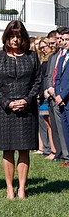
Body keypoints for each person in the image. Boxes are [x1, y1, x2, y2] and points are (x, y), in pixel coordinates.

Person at [0, 20, 41, 200]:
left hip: (27, 110)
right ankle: (10, 188)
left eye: (18, 36)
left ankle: (22, 188)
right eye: (12, 36)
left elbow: (37, 81)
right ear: (6, 37)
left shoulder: (32, 57)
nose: (15, 40)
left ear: (23, 38)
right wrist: (7, 103)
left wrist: (26, 100)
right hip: (6, 111)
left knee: (25, 149)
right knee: (8, 149)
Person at [44, 27, 69, 166]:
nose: (61, 42)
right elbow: (51, 75)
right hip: (53, 95)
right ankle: (60, 153)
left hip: (62, 96)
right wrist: (49, 88)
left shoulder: (64, 55)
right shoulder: (55, 56)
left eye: (64, 39)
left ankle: (66, 155)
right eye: (60, 39)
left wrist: (60, 94)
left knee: (63, 126)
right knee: (56, 126)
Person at [55, 28, 69, 167]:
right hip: (61, 100)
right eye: (63, 40)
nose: (64, 42)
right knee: (65, 129)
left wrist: (63, 95)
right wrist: (58, 94)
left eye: (67, 40)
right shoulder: (63, 57)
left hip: (67, 99)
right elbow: (57, 77)